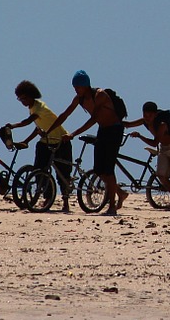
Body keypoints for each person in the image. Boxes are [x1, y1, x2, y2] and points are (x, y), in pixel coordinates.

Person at [40, 71, 127, 215]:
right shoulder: (78, 99)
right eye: (74, 87)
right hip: (103, 130)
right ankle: (120, 193)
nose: (76, 89)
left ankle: (112, 206)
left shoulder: (100, 95)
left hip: (114, 130)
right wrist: (49, 130)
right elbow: (65, 115)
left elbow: (94, 119)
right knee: (99, 170)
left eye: (78, 87)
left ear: (86, 86)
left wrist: (73, 134)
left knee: (108, 170)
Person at [5, 80, 75, 212]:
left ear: (31, 96)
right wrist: (26, 141)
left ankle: (66, 201)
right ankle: (47, 197)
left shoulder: (39, 108)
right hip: (46, 142)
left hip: (61, 141)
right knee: (39, 171)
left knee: (63, 174)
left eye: (24, 98)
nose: (22, 101)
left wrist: (13, 126)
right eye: (20, 99)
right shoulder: (32, 108)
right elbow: (38, 128)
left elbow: (27, 122)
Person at [125, 101, 170, 211]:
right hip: (164, 148)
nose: (147, 118)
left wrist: (140, 136)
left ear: (155, 114)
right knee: (161, 175)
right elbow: (129, 124)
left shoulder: (162, 124)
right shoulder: (144, 121)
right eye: (145, 115)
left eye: (150, 115)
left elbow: (154, 143)